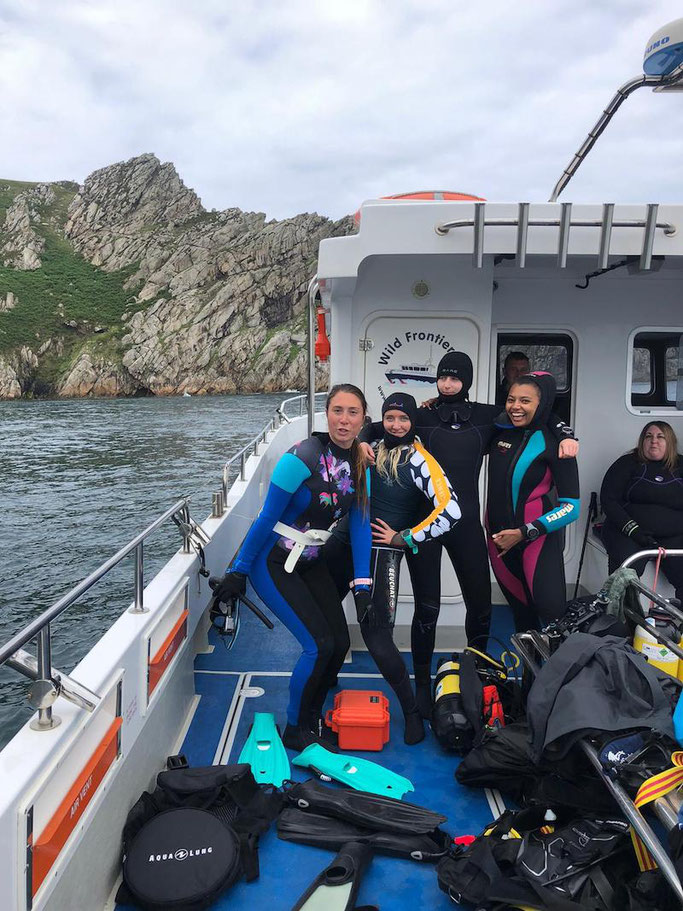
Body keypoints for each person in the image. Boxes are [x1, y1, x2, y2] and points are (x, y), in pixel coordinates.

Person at [361, 351, 577, 716]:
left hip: (465, 527)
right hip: (423, 526)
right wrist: (365, 439)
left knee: (479, 606)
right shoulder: (424, 415)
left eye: (455, 378)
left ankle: (477, 674)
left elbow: (536, 417)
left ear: (468, 379)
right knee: (427, 610)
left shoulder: (486, 417)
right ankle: (424, 687)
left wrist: (565, 433)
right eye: (442, 377)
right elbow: (383, 423)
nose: (448, 384)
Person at [210, 383, 372, 751]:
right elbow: (265, 518)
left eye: (352, 413)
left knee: (340, 641)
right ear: (326, 414)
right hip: (273, 561)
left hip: (311, 559)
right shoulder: (299, 457)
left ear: (363, 419)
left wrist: (361, 585)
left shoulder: (361, 462)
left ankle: (313, 713)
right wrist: (239, 570)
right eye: (337, 411)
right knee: (318, 646)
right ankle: (296, 729)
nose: (343, 420)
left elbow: (361, 523)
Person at [324, 392, 461, 744]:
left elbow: (452, 511)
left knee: (376, 637)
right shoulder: (367, 446)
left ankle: (412, 710)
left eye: (403, 419)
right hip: (342, 541)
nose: (396, 425)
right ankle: (325, 678)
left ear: (413, 422)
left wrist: (406, 537)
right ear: (381, 420)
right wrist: (365, 439)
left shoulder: (419, 459)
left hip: (379, 553)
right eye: (390, 418)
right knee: (322, 614)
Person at [487, 372, 580, 632]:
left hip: (534, 540)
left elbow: (572, 507)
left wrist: (523, 532)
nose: (515, 407)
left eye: (525, 401)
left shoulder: (557, 445)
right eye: (511, 399)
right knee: (520, 616)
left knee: (552, 617)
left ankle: (559, 672)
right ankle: (530, 673)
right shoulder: (499, 430)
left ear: (542, 404)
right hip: (497, 541)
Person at [600, 421, 683, 601]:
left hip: (674, 537)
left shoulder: (680, 465)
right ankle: (622, 625)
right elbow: (609, 501)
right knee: (626, 580)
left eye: (660, 437)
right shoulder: (627, 463)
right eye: (649, 436)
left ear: (670, 442)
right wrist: (634, 531)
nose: (654, 441)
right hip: (629, 533)